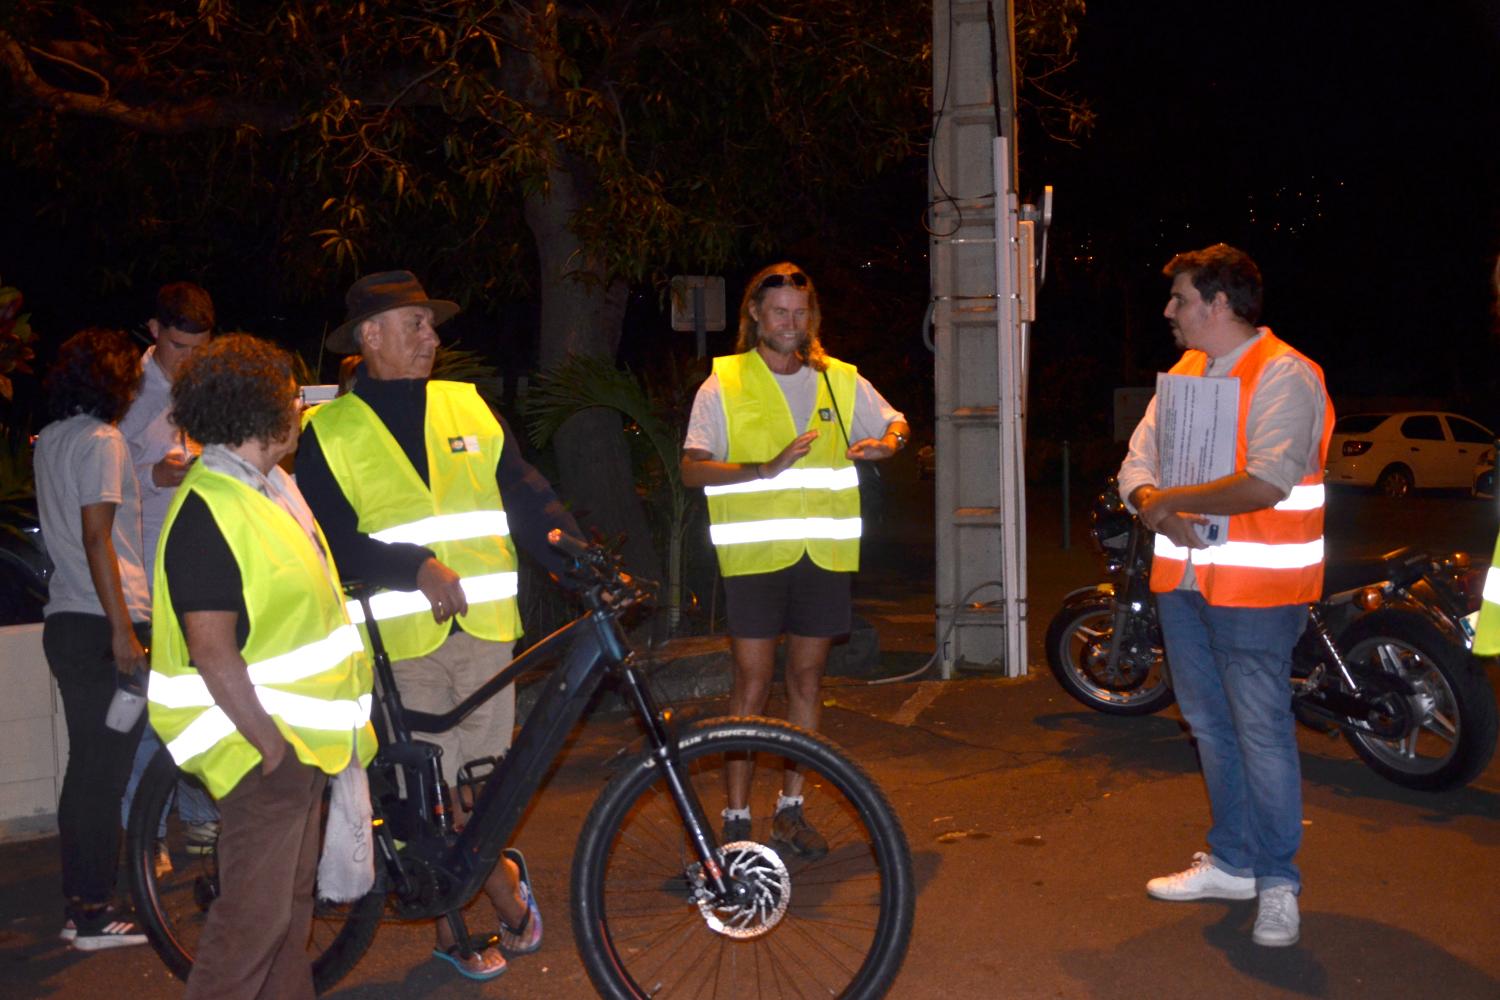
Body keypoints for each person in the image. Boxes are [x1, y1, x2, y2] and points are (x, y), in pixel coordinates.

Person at [297, 270, 563, 980]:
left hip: (482, 633)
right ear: (370, 336)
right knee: (435, 800)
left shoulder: (466, 405)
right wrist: (415, 566)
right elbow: (331, 540)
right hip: (399, 643)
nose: (432, 337)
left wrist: (580, 555)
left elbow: (526, 493)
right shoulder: (329, 433)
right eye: (415, 323)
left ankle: (493, 872)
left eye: (431, 324)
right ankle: (474, 917)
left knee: (480, 788)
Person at [145, 334, 377, 1000]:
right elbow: (211, 650)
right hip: (257, 750)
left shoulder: (269, 489)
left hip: (296, 748)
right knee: (251, 926)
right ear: (262, 411)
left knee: (286, 917)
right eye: (292, 396)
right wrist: (271, 748)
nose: (301, 407)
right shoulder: (213, 504)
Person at [1117, 244, 1333, 948]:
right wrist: (1150, 501)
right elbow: (1136, 461)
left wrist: (1163, 500)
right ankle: (1235, 861)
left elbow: (1267, 480)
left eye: (1180, 299)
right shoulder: (1184, 374)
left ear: (1217, 304)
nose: (1169, 312)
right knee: (1211, 727)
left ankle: (1278, 882)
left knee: (1261, 731)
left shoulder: (1286, 374)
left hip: (1257, 590)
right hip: (1183, 585)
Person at [681, 261, 909, 858]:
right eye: (779, 311)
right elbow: (691, 466)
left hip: (825, 554)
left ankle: (789, 810)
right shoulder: (723, 383)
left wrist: (890, 443)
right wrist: (765, 467)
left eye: (800, 312)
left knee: (807, 679)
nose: (791, 322)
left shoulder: (838, 378)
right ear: (755, 314)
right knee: (752, 684)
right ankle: (735, 819)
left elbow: (896, 422)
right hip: (755, 558)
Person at [33, 328, 152, 950]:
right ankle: (94, 915)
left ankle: (82, 904)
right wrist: (124, 628)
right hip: (105, 623)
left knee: (87, 770)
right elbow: (96, 537)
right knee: (103, 773)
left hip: (67, 622)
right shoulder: (103, 441)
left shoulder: (52, 438)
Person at [118, 281, 219, 861]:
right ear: (154, 332)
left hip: (195, 568)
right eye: (180, 348)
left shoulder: (204, 385)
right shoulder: (125, 392)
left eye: (200, 348)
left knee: (203, 697)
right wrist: (154, 476)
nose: (189, 361)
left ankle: (200, 815)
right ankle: (143, 834)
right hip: (143, 575)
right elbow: (96, 485)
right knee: (150, 711)